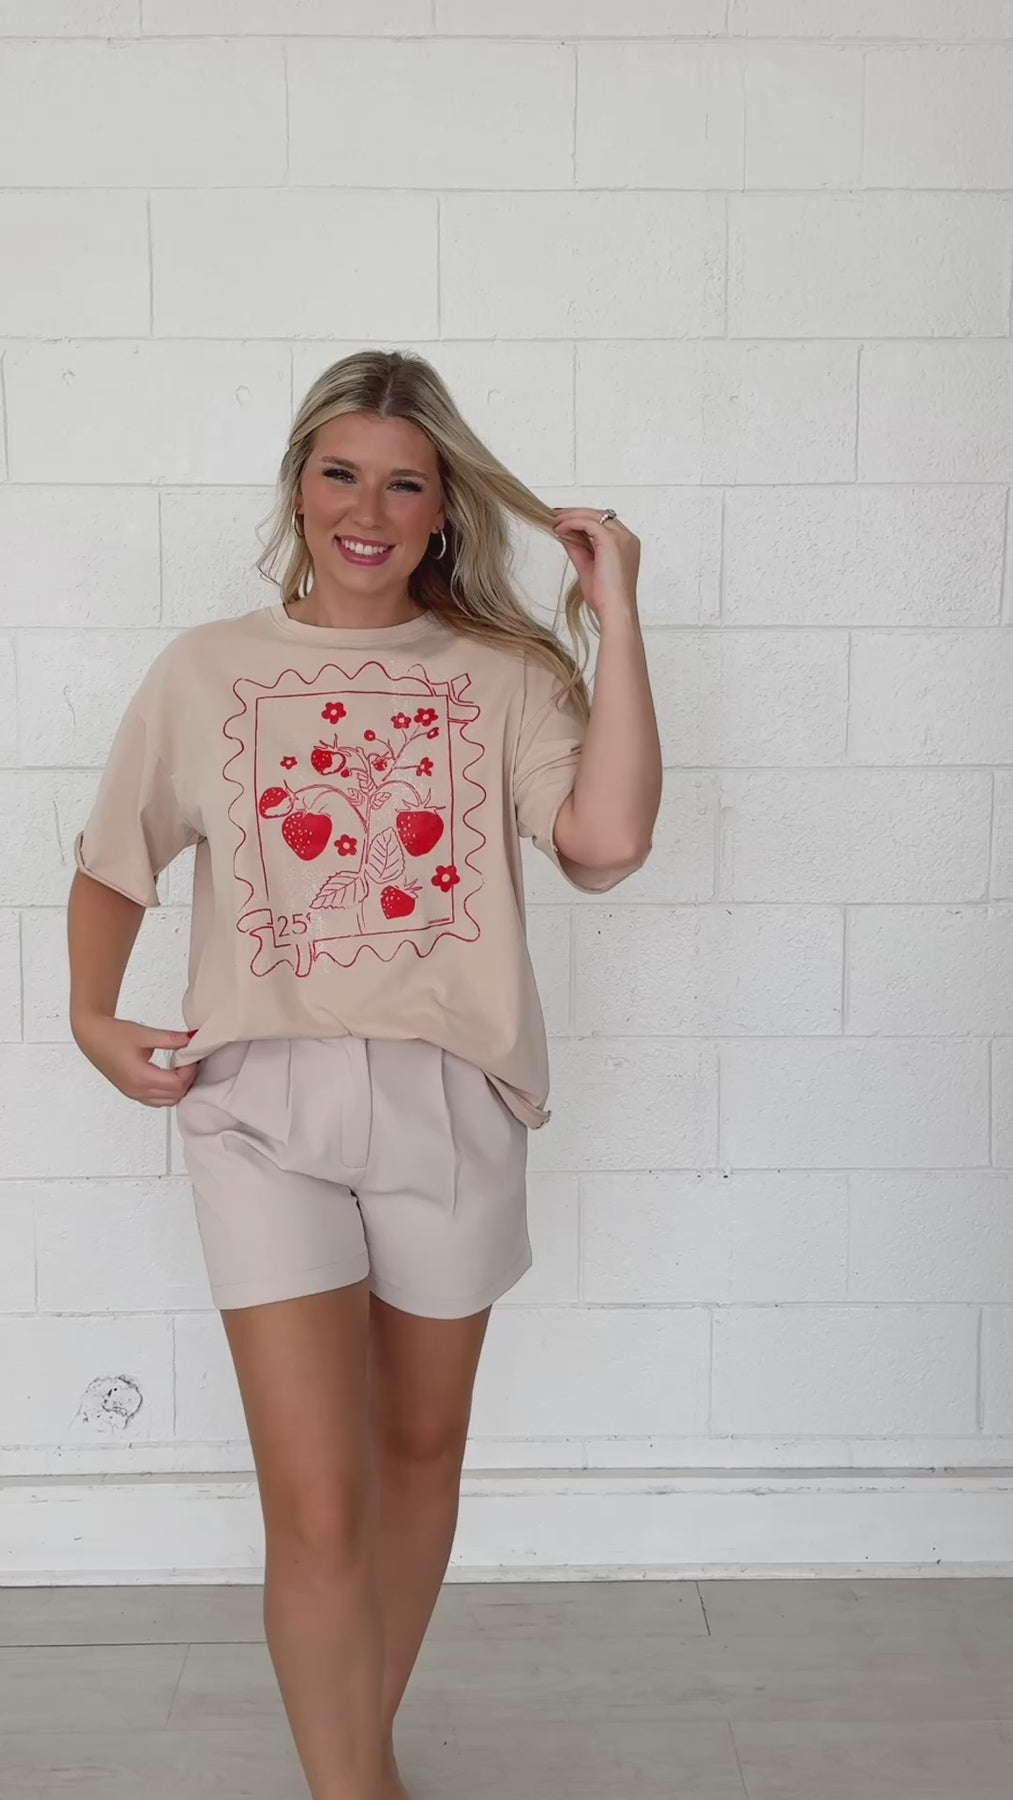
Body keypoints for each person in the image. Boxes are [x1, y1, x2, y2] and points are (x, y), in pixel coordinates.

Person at [66, 349, 662, 1800]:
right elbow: (116, 856)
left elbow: (607, 843)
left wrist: (618, 621)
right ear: (297, 487)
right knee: (317, 1504)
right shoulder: (206, 671)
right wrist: (91, 1016)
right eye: (341, 473)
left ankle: (355, 1754)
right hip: (258, 1107)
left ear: (445, 508)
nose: (368, 510)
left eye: (405, 483)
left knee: (417, 1454)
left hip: (453, 1100)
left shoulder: (506, 677)